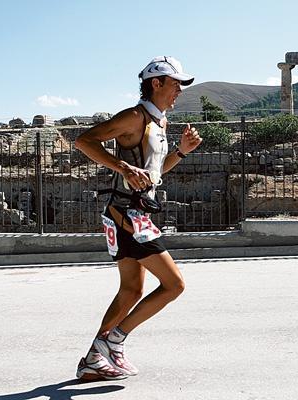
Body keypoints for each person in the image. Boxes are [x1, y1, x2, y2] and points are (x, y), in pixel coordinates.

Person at [74, 56, 202, 380]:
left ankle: (93, 358)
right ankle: (113, 341)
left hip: (133, 214)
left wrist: (182, 152)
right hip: (128, 215)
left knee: (131, 291)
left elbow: (155, 173)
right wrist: (122, 167)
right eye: (174, 85)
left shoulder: (160, 123)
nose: (178, 92)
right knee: (174, 284)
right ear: (156, 84)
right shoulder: (134, 117)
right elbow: (84, 141)